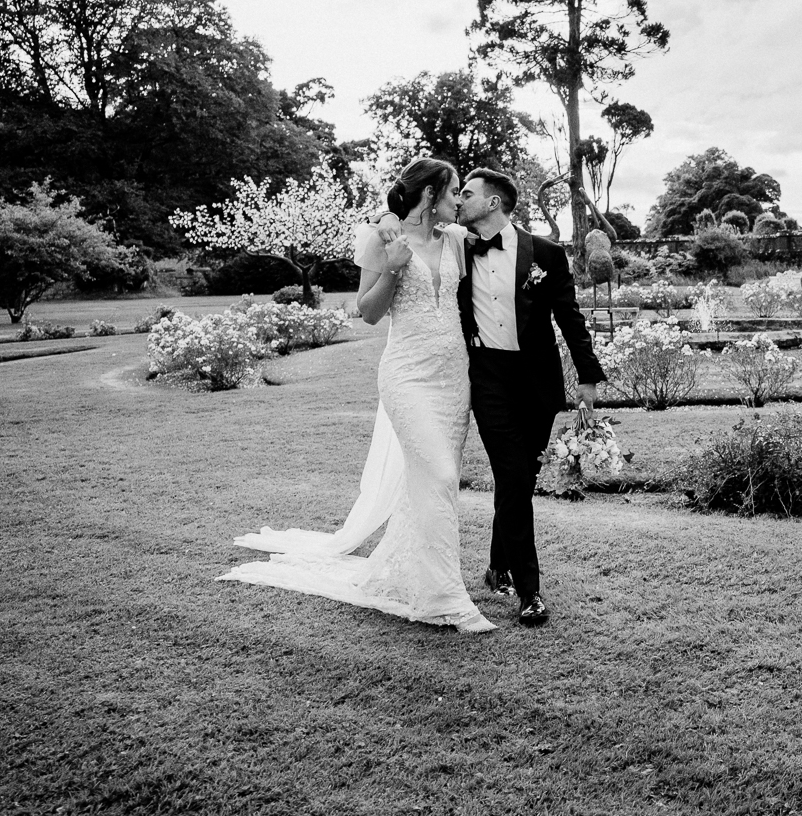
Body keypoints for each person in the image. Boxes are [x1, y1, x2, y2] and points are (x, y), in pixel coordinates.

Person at [220, 158, 497, 633]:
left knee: (435, 482)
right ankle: (448, 599)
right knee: (441, 470)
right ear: (431, 195)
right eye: (453, 191)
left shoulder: (454, 238)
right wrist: (392, 268)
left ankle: (419, 577)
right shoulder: (380, 240)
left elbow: (496, 242)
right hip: (407, 375)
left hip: (454, 378)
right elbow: (367, 312)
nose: (459, 200)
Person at [448, 168, 606, 627]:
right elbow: (405, 217)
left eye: (468, 193)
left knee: (520, 480)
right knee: (514, 474)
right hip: (489, 379)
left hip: (537, 383)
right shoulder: (457, 246)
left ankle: (497, 565)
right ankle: (528, 590)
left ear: (494, 202)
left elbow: (569, 317)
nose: (459, 199)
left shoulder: (546, 253)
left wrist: (588, 376)